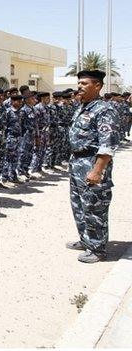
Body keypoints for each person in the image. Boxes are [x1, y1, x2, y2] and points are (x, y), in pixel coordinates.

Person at [66, 70, 119, 263]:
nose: (79, 86)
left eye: (84, 83)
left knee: (94, 207)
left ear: (97, 86)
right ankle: (86, 240)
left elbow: (108, 144)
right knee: (79, 205)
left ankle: (98, 249)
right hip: (77, 163)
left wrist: (97, 170)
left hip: (92, 163)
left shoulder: (104, 109)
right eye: (79, 83)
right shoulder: (82, 107)